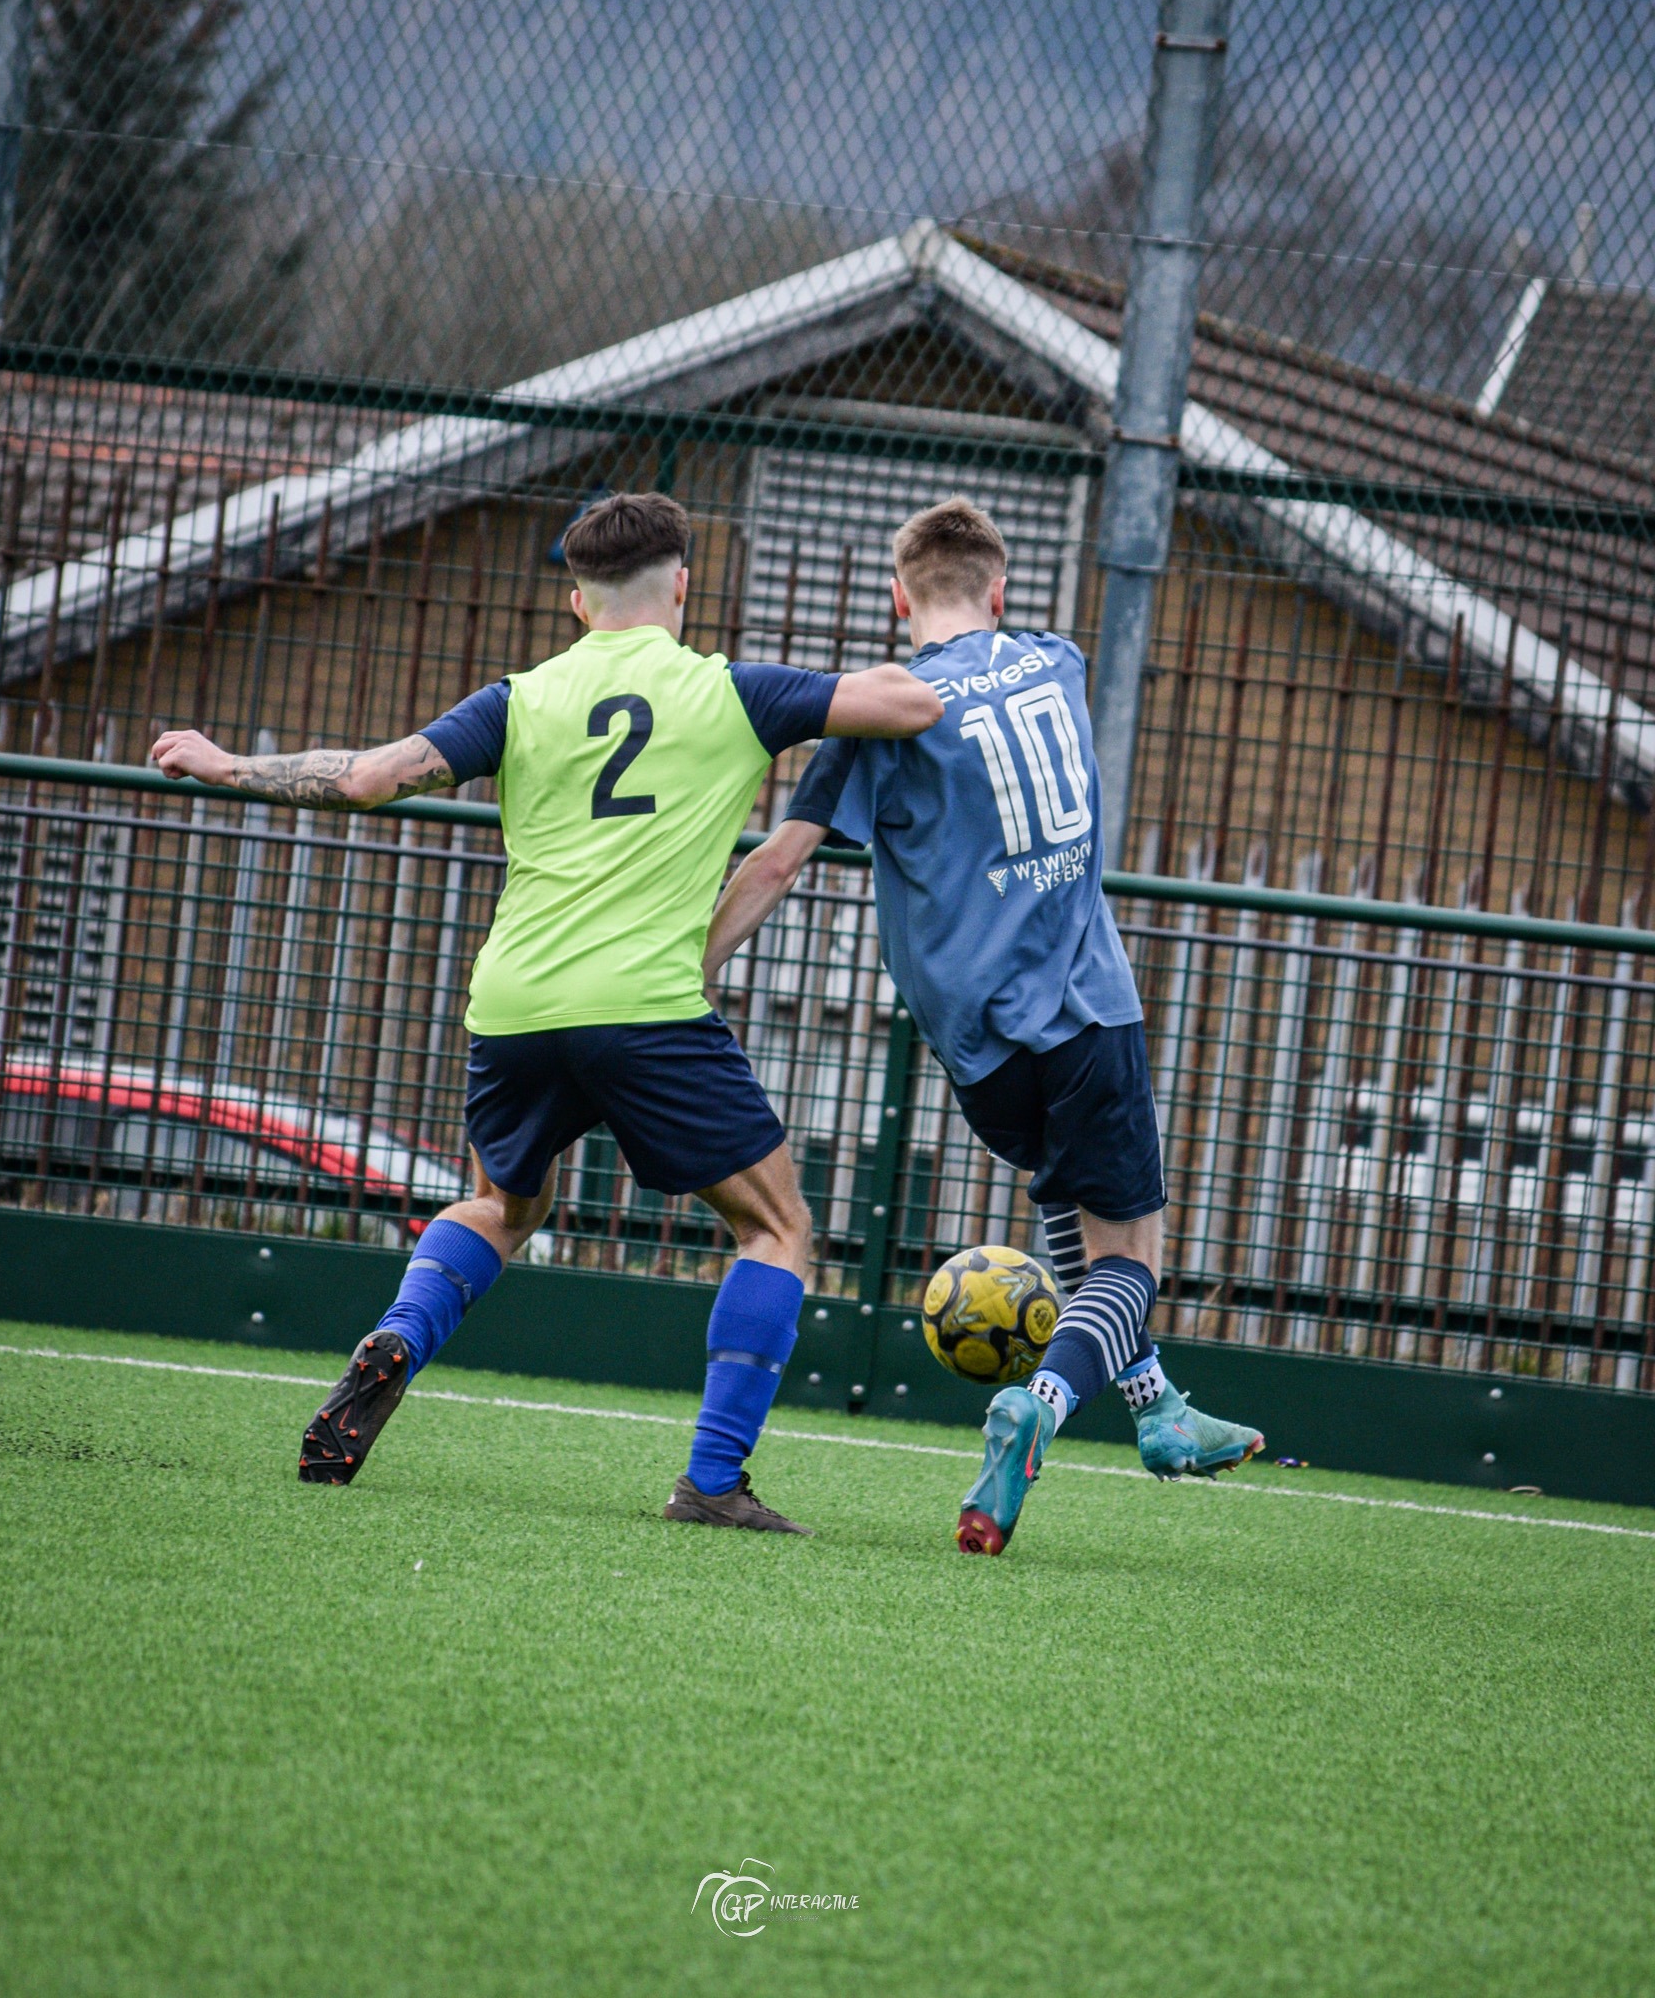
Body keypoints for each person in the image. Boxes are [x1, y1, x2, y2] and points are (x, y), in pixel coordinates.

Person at [151, 491, 941, 1531]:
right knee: (777, 1225)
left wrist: (223, 763)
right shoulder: (736, 692)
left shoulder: (519, 698)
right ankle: (711, 1481)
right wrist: (927, 639)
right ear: (683, 585)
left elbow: (375, 778)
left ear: (575, 600)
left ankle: (396, 1335)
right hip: (645, 1004)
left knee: (503, 1206)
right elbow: (909, 707)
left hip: (514, 1002)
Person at [702, 497, 1262, 1555]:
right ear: (1000, 592)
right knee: (1130, 1254)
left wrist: (685, 971)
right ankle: (1038, 1405)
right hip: (1087, 1013)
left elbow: (775, 862)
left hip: (978, 1052)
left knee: (1064, 1208)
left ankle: (1157, 1413)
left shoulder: (879, 715)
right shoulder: (1056, 658)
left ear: (895, 598)